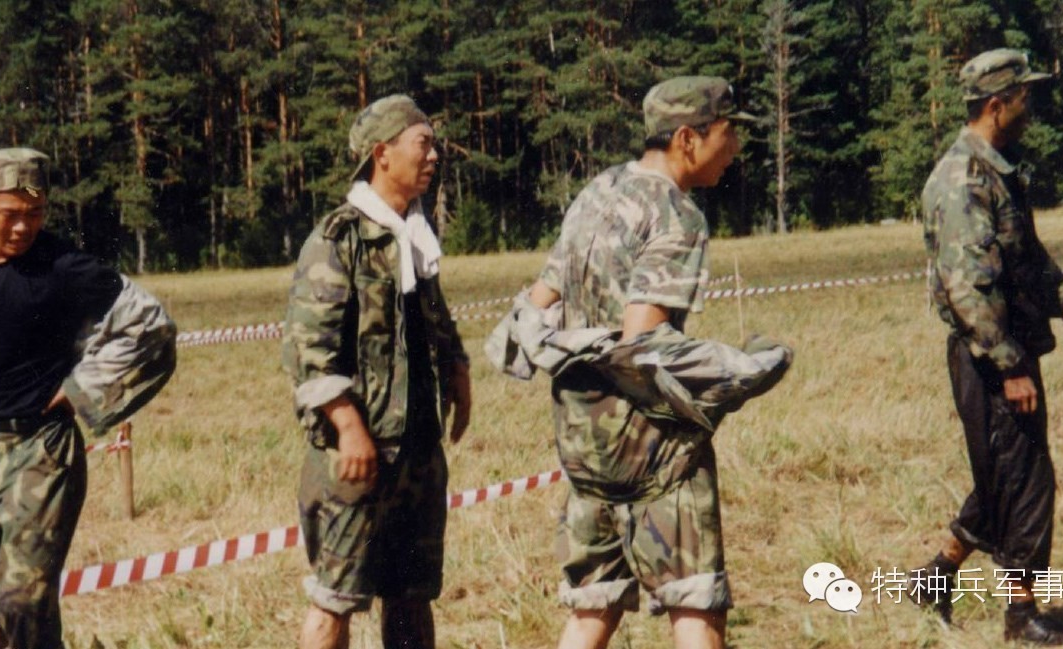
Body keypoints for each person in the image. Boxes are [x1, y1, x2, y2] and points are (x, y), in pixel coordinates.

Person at [0, 147, 178, 648]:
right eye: (11, 213)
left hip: (40, 450)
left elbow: (150, 324)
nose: (22, 227)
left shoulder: (64, 269)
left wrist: (81, 389)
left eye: (35, 213)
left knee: (24, 599)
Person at [519, 76, 756, 649]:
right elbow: (642, 342)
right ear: (687, 138)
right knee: (695, 603)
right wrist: (733, 377)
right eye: (729, 134)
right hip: (653, 454)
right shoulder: (679, 214)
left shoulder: (597, 192)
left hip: (583, 442)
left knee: (592, 607)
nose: (735, 149)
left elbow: (539, 302)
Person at [912, 48, 1063, 645]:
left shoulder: (1000, 168)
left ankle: (936, 579)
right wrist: (1008, 364)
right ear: (997, 105)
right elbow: (965, 286)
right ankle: (1020, 617)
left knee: (1008, 473)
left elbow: (1024, 255)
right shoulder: (962, 179)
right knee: (1024, 480)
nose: (1031, 107)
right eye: (1024, 97)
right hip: (990, 355)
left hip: (1008, 346)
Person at [283, 94, 472, 649]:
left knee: (412, 593)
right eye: (423, 143)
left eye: (434, 144)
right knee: (336, 599)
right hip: (357, 454)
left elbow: (433, 316)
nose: (434, 155)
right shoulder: (339, 239)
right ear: (381, 154)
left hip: (415, 450)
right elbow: (308, 351)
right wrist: (348, 427)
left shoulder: (414, 235)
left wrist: (457, 367)